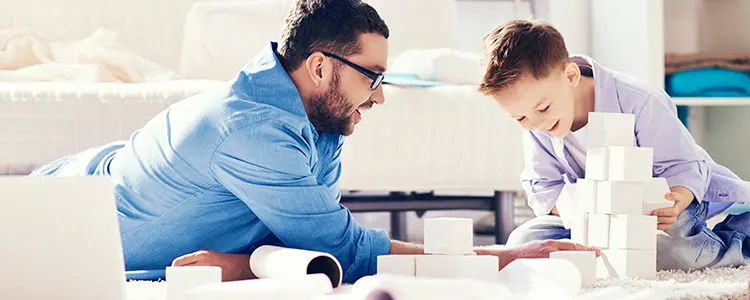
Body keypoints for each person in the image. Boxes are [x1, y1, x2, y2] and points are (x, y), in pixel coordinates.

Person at [30, 1, 597, 283]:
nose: (378, 97)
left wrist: (246, 263)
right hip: (58, 216)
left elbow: (305, 229)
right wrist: (507, 255)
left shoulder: (306, 110)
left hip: (98, 182)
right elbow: (344, 250)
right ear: (321, 65)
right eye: (371, 77)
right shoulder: (254, 131)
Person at [477, 19, 750, 271]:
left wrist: (676, 201)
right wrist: (587, 214)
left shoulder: (640, 100)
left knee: (676, 250)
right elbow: (544, 186)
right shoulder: (537, 118)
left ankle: (739, 235)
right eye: (520, 118)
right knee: (524, 241)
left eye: (543, 108)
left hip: (667, 203)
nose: (535, 123)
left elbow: (684, 166)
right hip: (593, 215)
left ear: (570, 76)